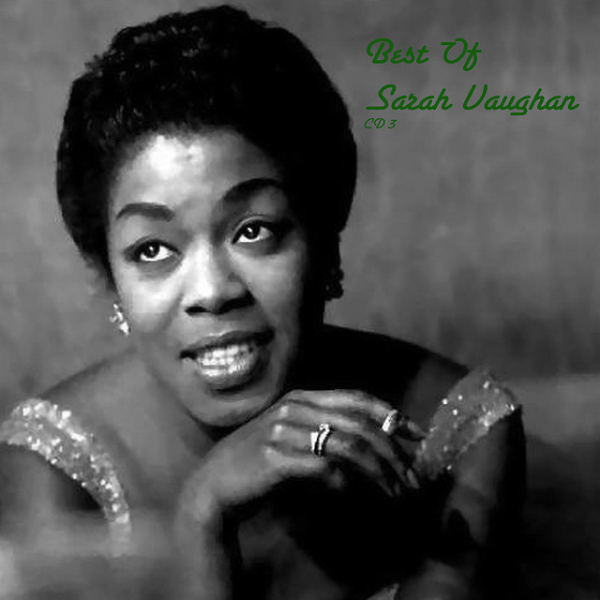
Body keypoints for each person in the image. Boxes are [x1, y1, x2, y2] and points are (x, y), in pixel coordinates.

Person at [0, 6, 525, 599]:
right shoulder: (55, 467)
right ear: (110, 279)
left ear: (325, 236)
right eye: (152, 249)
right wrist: (202, 517)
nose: (212, 292)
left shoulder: (455, 427)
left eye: (253, 231)